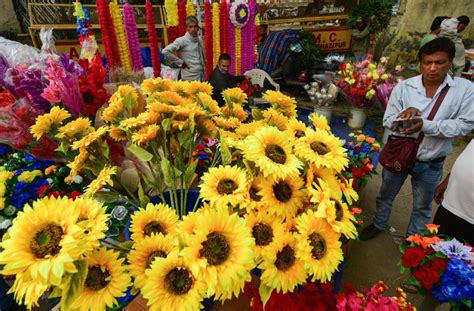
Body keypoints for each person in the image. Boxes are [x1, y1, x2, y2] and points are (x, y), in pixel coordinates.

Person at [360, 37, 474, 241]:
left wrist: (425, 124)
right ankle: (379, 222)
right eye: (427, 62)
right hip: (399, 155)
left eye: (439, 62)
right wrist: (405, 114)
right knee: (385, 194)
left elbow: (464, 125)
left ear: (450, 62)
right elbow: (388, 121)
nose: (432, 68)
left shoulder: (464, 90)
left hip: (431, 161)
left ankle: (413, 239)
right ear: (420, 63)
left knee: (422, 206)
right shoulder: (405, 87)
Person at [433, 139, 474, 245]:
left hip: (470, 220)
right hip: (450, 205)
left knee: (462, 260)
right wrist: (448, 179)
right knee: (436, 251)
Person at [161, 16, 205, 81]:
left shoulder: (199, 39)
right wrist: (180, 62)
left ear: (198, 28)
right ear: (187, 28)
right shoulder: (181, 40)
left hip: (201, 75)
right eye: (190, 27)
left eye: (195, 26)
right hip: (189, 77)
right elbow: (165, 51)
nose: (193, 29)